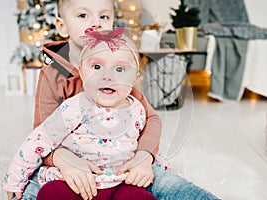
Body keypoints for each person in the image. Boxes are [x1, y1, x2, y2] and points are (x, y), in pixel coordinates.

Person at [19, 0, 220, 199]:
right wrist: (63, 159)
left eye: (104, 16)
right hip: (72, 160)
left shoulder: (119, 65)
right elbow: (42, 132)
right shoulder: (53, 74)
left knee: (166, 181)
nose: (96, 23)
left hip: (121, 158)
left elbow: (150, 118)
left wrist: (144, 155)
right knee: (35, 183)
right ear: (62, 26)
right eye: (83, 15)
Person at [3, 29, 156, 200]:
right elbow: (38, 140)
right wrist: (15, 180)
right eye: (97, 67)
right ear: (82, 73)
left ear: (134, 79)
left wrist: (145, 164)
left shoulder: (138, 109)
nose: (107, 76)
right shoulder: (74, 107)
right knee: (52, 193)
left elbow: (141, 143)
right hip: (75, 183)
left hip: (120, 183)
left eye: (120, 69)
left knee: (139, 196)